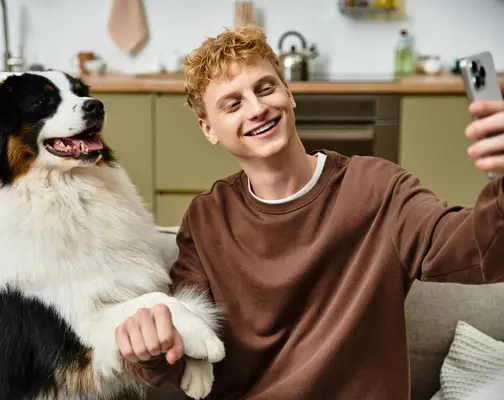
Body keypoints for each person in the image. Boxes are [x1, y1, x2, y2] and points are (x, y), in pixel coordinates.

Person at [114, 25, 504, 399]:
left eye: (266, 89)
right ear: (208, 129)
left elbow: (479, 251)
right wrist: (148, 346)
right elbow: (184, 356)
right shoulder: (206, 219)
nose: (257, 108)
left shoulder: (378, 188)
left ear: (289, 93)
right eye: (233, 103)